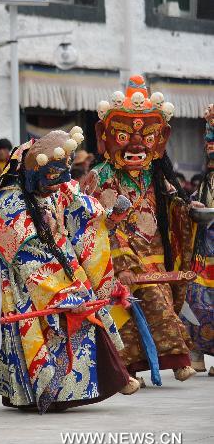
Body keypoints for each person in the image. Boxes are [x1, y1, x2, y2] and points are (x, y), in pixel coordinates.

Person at [0, 128, 138, 412]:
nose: (55, 189)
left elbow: (82, 215)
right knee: (47, 325)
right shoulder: (9, 203)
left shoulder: (58, 185)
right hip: (28, 279)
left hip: (65, 264)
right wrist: (58, 292)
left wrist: (107, 219)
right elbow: (24, 258)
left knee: (86, 312)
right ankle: (44, 392)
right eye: (49, 183)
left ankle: (112, 378)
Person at [85, 76, 201, 383]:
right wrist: (121, 260)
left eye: (147, 137)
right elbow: (95, 224)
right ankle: (126, 372)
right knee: (125, 317)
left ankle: (177, 359)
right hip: (113, 261)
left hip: (154, 258)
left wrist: (188, 209)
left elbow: (174, 205)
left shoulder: (156, 176)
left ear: (160, 140)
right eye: (123, 136)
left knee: (162, 306)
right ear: (104, 136)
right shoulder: (100, 177)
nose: (136, 145)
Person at [187, 104, 214, 375]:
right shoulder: (207, 180)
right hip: (204, 251)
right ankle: (195, 352)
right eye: (208, 140)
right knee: (197, 300)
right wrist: (191, 206)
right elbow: (197, 201)